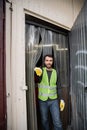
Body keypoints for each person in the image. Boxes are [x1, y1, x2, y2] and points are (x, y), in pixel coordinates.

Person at [34, 54, 64, 130]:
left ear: (52, 62)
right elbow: (37, 80)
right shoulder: (41, 70)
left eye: (50, 60)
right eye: (47, 60)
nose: (49, 62)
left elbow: (59, 86)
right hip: (42, 101)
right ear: (44, 61)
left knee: (57, 121)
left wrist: (62, 99)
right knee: (44, 121)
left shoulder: (55, 72)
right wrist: (38, 75)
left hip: (54, 100)